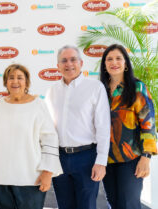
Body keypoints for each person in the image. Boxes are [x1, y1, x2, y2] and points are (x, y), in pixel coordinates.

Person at [0, 64, 62, 209]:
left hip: (31, 179)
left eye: (20, 78)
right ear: (6, 82)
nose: (15, 81)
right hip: (1, 177)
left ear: (27, 82)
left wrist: (48, 172)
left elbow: (50, 139)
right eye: (11, 78)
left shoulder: (38, 105)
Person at [45, 45, 111, 209]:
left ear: (81, 63)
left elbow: (103, 127)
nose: (69, 64)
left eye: (73, 59)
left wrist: (101, 161)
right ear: (58, 66)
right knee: (64, 206)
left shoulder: (95, 88)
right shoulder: (51, 91)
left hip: (87, 158)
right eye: (64, 61)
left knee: (87, 206)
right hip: (59, 158)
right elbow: (48, 129)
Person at [99, 44, 157, 209]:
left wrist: (146, 157)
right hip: (106, 158)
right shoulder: (99, 90)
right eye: (109, 59)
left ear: (125, 63)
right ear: (104, 64)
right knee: (113, 203)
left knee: (129, 204)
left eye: (118, 58)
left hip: (131, 159)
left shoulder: (137, 88)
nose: (114, 62)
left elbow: (148, 123)